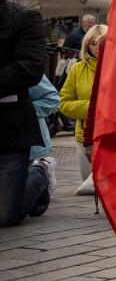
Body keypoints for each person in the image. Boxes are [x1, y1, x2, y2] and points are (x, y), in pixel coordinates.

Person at [0, 0, 47, 228]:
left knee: (6, 216)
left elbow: (30, 68)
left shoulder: (24, 18)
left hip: (10, 128)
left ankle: (40, 174)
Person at [59, 23, 107, 196]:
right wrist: (93, 107)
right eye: (92, 43)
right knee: (88, 189)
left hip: (112, 136)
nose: (97, 47)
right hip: (84, 136)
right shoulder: (77, 70)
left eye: (101, 42)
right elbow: (63, 103)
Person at [21, 76, 60, 221]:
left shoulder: (25, 67)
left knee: (11, 211)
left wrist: (20, 112)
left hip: (27, 145)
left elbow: (53, 99)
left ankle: (42, 168)